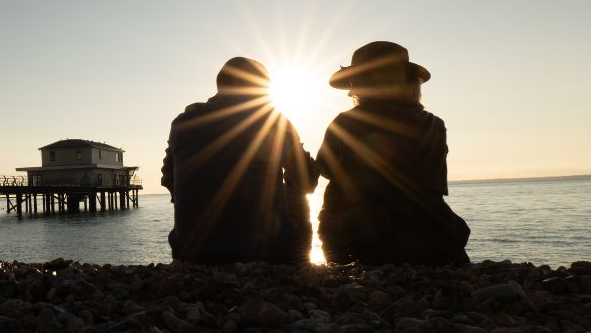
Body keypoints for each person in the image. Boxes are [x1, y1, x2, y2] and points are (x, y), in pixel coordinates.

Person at [316, 41, 470, 266]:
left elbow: (325, 170)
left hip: (360, 240)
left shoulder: (346, 123)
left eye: (355, 81)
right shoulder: (435, 125)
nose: (351, 91)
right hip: (433, 238)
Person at [163, 57, 318, 264]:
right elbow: (308, 181)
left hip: (191, 254)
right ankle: (297, 265)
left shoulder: (182, 123)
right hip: (267, 253)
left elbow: (168, 179)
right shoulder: (273, 120)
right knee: (297, 185)